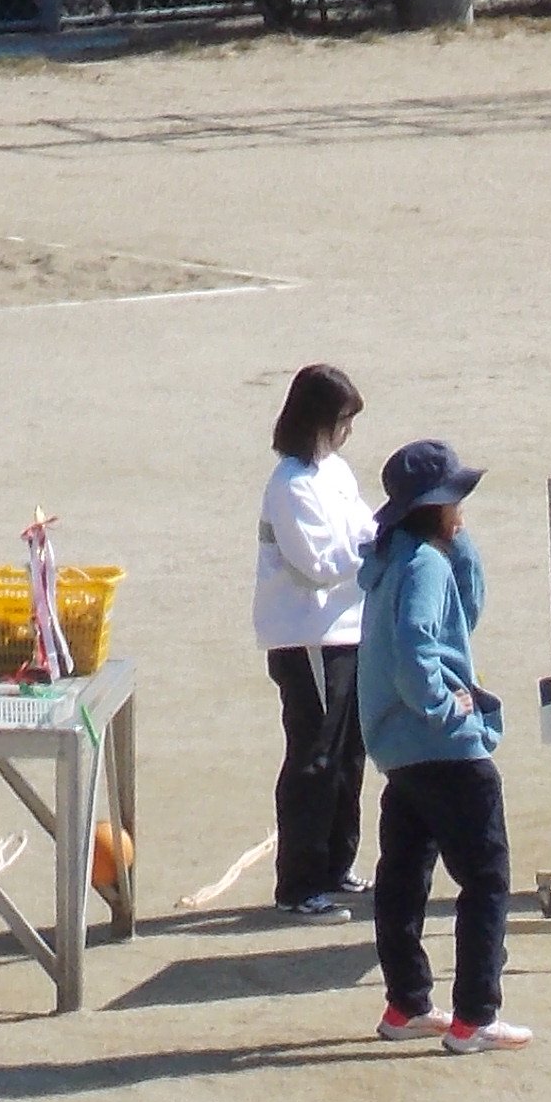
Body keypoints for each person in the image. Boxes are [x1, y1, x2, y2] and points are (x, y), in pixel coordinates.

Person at [356, 439, 527, 1053]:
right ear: (434, 506)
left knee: (403, 876)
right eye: (456, 500)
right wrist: (442, 706)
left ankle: (406, 1005)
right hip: (447, 751)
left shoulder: (394, 559)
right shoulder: (425, 563)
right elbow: (416, 648)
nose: (463, 510)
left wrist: (458, 539)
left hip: (399, 754)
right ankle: (475, 1017)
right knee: (486, 878)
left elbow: (465, 609)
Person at [253, 362, 374, 918]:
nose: (348, 430)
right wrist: (374, 551)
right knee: (314, 755)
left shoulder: (336, 472)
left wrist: (384, 535)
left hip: (348, 632)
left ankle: (335, 865)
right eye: (343, 419)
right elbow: (319, 564)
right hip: (307, 638)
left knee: (350, 753)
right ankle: (299, 885)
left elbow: (364, 527)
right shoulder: (290, 485)